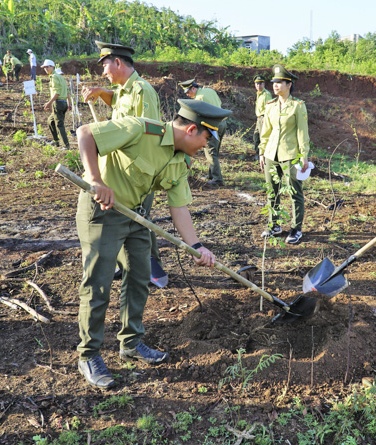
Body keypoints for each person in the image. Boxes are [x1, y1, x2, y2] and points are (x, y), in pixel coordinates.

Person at [74, 99, 231, 388]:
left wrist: (196, 247)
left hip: (135, 216)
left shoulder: (181, 160)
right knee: (98, 282)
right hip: (103, 212)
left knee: (138, 276)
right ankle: (88, 354)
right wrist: (95, 179)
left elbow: (179, 206)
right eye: (206, 139)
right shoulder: (139, 130)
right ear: (193, 129)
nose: (206, 147)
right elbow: (86, 133)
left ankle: (131, 342)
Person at [81, 41, 165, 285]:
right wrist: (100, 92)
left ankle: (149, 268)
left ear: (118, 62)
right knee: (123, 219)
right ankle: (128, 264)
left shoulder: (142, 90)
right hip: (120, 170)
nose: (103, 72)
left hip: (136, 173)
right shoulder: (122, 90)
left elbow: (147, 133)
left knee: (140, 220)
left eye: (105, 66)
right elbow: (119, 104)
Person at [258, 64, 310, 245]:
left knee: (295, 192)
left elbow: (302, 132)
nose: (275, 85)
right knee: (272, 191)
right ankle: (274, 225)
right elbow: (266, 131)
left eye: (280, 82)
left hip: (290, 156)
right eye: (274, 82)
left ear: (289, 85)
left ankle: (296, 229)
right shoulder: (270, 105)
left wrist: (304, 155)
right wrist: (261, 152)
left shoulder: (298, 106)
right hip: (271, 154)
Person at [179, 79, 226, 186]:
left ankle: (217, 179)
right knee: (214, 151)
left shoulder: (199, 99)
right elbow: (219, 103)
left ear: (194, 88)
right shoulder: (209, 91)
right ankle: (211, 175)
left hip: (212, 126)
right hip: (222, 123)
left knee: (210, 152)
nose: (187, 94)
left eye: (188, 92)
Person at [41, 59, 72, 149]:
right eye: (44, 67)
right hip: (63, 103)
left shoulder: (54, 77)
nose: (46, 69)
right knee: (50, 121)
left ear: (52, 67)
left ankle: (66, 145)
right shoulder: (60, 77)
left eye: (47, 67)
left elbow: (57, 92)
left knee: (59, 125)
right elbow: (67, 91)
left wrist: (49, 103)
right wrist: (69, 103)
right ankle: (56, 141)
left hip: (58, 103)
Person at [253, 74, 272, 158]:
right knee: (256, 136)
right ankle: (258, 154)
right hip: (259, 118)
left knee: (262, 137)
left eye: (260, 83)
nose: (258, 85)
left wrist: (265, 118)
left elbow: (269, 107)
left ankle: (263, 156)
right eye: (257, 83)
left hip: (263, 118)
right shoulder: (259, 94)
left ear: (263, 84)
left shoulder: (266, 94)